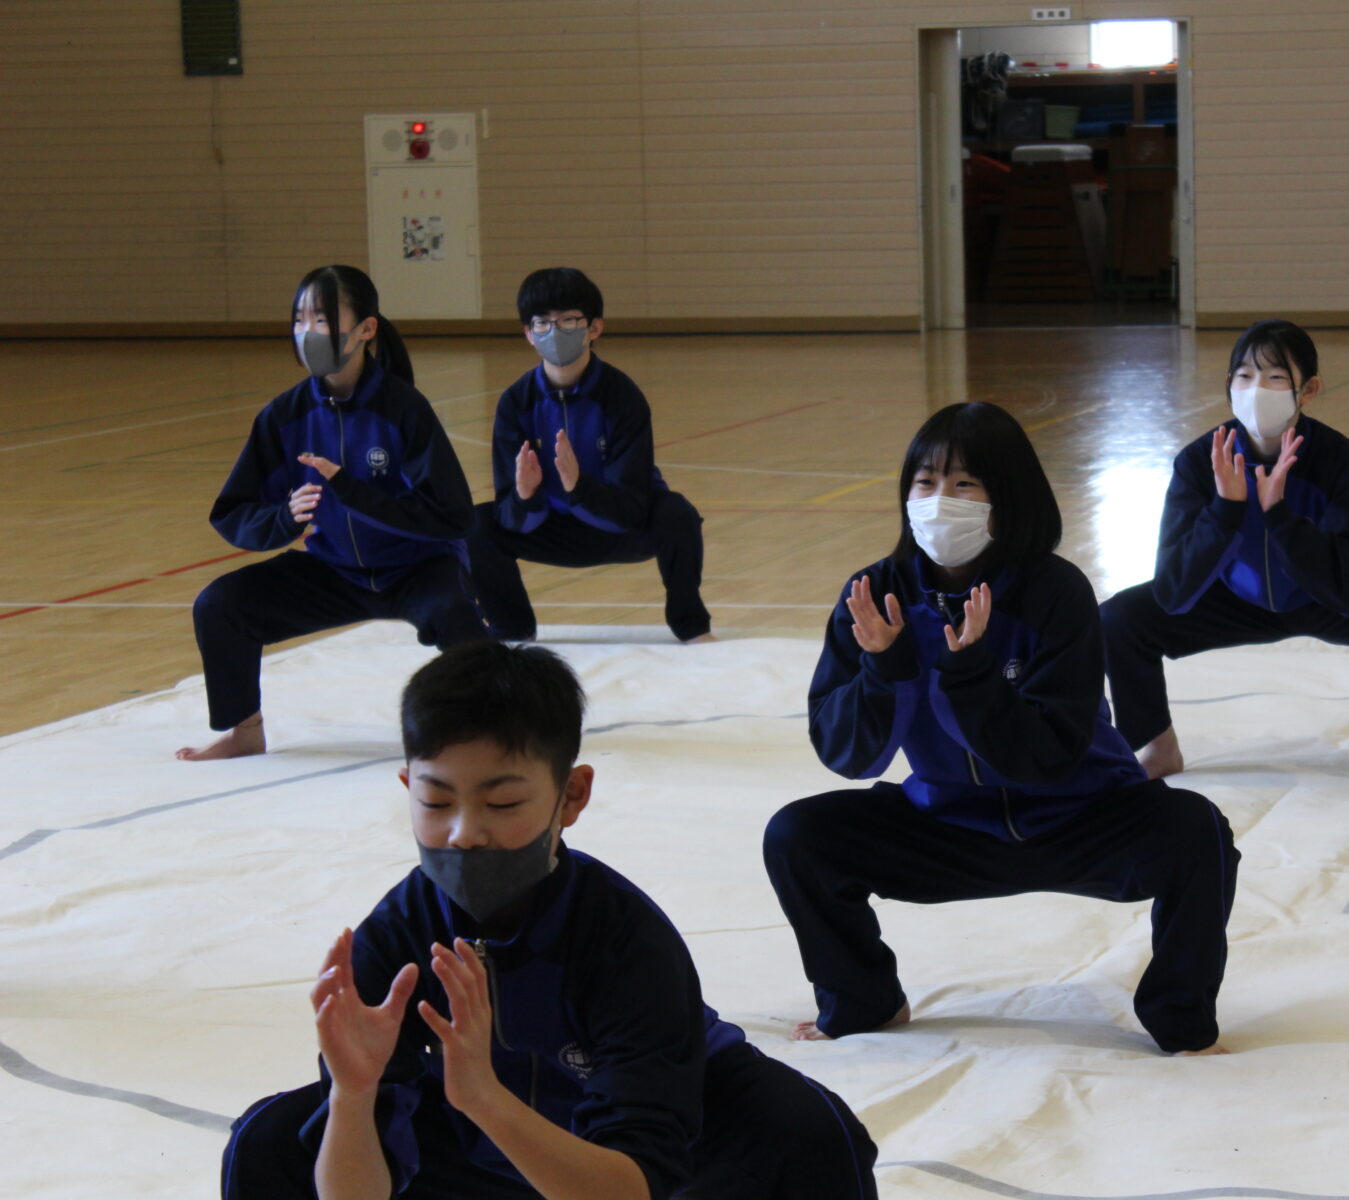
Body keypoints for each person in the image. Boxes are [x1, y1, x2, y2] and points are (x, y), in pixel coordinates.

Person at [220, 641, 878, 1199]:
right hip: (472, 1126)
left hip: (659, 1136)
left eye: (503, 802)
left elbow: (631, 1185)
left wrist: (486, 1098)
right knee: (269, 1139)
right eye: (436, 800)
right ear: (407, 788)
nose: (465, 833)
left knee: (810, 1133)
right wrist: (355, 1097)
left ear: (572, 796)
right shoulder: (394, 937)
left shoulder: (628, 942)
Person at [762, 402, 1239, 1056]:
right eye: (924, 483)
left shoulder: (1056, 592)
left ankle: (1179, 1017)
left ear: (1006, 496)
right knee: (798, 835)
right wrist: (885, 669)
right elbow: (848, 755)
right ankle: (864, 994)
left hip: (1081, 817)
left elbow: (1049, 756)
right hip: (949, 824)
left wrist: (970, 674)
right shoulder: (877, 595)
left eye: (964, 484)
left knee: (1198, 833)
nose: (939, 500)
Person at [1100, 318, 1349, 791]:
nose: (1258, 389)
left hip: (1325, 596)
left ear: (1309, 389)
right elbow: (1173, 591)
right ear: (1229, 386)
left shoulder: (1339, 461)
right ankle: (1159, 746)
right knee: (1118, 620)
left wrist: (1279, 516)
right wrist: (1226, 508)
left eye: (1276, 378)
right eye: (1245, 376)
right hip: (1233, 599)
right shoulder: (1200, 462)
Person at [178, 265, 484, 761]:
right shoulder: (284, 415)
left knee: (459, 621)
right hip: (332, 570)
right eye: (299, 320)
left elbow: (454, 517)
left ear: (366, 329)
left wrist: (353, 492)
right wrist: (284, 519)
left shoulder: (405, 409)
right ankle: (245, 730)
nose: (307, 332)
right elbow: (232, 511)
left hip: (416, 570)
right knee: (220, 606)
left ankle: (486, 733)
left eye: (322, 319)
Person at [464, 268, 713, 644]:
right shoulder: (516, 402)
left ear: (594, 328)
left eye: (568, 320)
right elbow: (509, 517)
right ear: (528, 334)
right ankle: (510, 627)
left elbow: (632, 504)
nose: (555, 331)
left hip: (618, 526)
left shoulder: (622, 397)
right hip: (548, 527)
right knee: (475, 526)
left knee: (677, 514)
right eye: (543, 323)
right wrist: (525, 497)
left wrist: (578, 488)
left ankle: (691, 625)